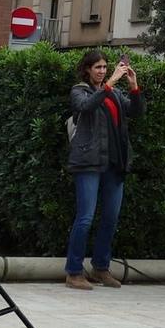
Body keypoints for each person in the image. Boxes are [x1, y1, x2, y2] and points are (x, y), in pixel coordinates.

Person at [64, 50, 141, 292]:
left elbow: (137, 112)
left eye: (105, 67)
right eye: (97, 67)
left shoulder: (115, 94)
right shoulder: (80, 91)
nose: (102, 70)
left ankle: (100, 267)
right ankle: (74, 272)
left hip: (113, 164)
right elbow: (86, 107)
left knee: (111, 217)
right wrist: (109, 84)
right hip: (88, 162)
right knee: (85, 218)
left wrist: (134, 87)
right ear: (87, 69)